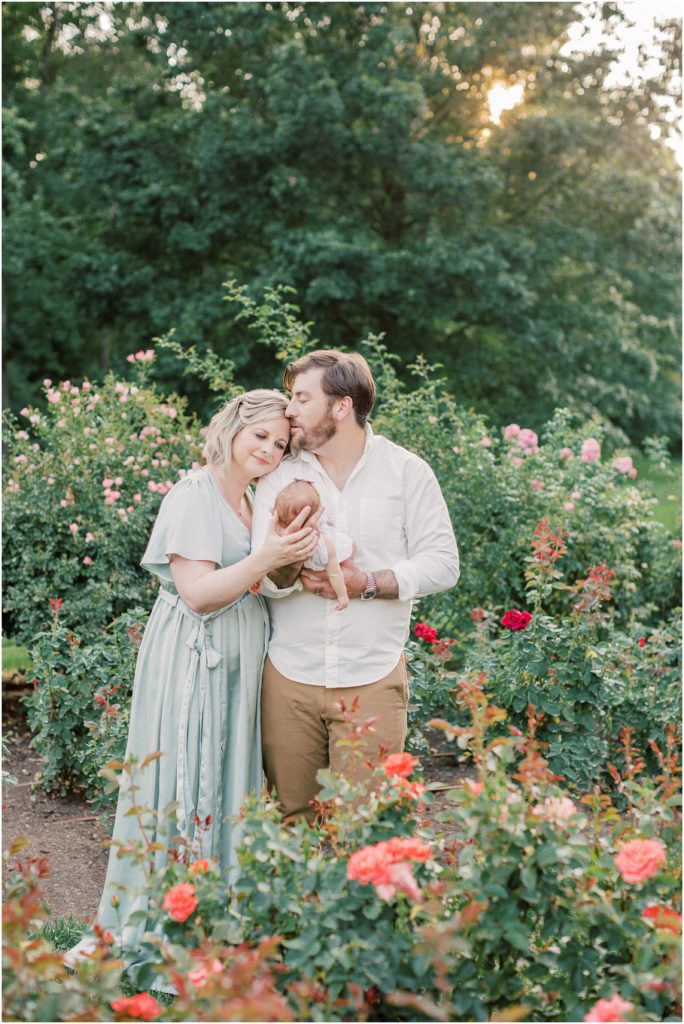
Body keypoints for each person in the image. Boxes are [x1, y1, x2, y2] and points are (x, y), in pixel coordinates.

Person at [65, 389, 319, 968]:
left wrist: (292, 562)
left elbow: (257, 581)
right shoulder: (194, 493)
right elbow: (199, 594)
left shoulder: (251, 501)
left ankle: (221, 920)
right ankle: (167, 927)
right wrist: (265, 559)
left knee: (228, 773)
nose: (270, 449)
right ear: (232, 427)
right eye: (260, 435)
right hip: (194, 655)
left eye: (280, 444)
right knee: (190, 775)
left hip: (238, 657)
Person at [252, 350, 460, 820]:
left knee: (368, 824)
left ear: (341, 406)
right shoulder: (281, 476)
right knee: (292, 820)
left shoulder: (406, 472)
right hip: (290, 675)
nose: (289, 411)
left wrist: (365, 581)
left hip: (373, 676)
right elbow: (262, 578)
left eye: (302, 398)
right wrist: (287, 558)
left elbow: (444, 564)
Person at [274, 479, 353, 610]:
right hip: (322, 555)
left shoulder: (279, 532)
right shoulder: (326, 543)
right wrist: (342, 595)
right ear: (317, 514)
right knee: (343, 552)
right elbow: (334, 573)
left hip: (311, 561)